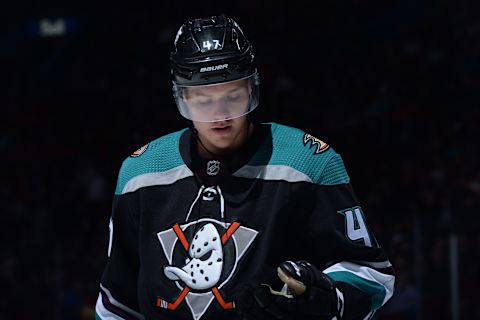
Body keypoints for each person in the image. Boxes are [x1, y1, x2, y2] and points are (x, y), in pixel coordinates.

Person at [95, 13, 395, 320]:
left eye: (232, 97)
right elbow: (117, 301)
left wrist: (333, 299)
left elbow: (373, 275)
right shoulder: (140, 174)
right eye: (203, 101)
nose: (220, 114)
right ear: (182, 97)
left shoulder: (310, 163)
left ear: (251, 90)